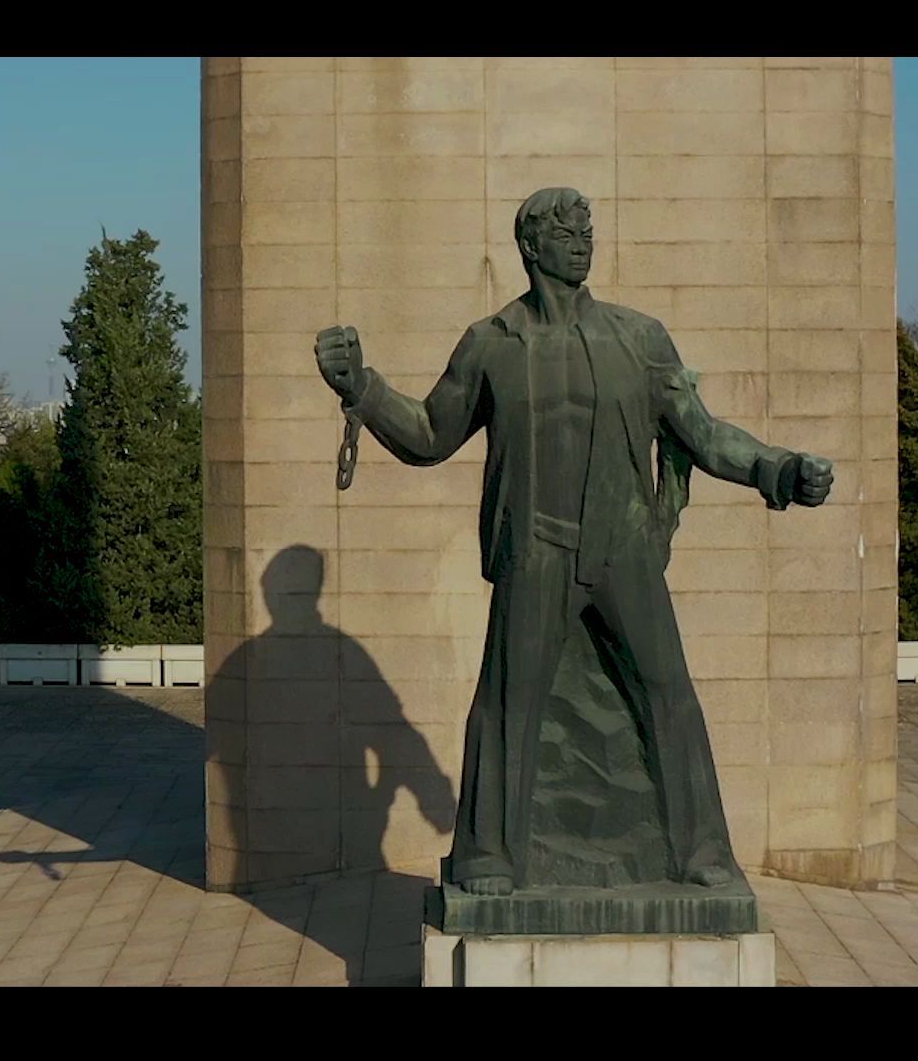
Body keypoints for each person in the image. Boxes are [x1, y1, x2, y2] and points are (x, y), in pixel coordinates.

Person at [314, 187, 833, 897]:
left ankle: (702, 852)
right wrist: (363, 390)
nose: (582, 240)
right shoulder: (491, 342)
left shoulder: (638, 338)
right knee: (508, 701)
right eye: (564, 231)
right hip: (536, 546)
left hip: (623, 544)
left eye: (587, 229)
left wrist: (779, 467)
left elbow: (705, 436)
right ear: (530, 247)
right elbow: (432, 434)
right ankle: (490, 855)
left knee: (667, 691)